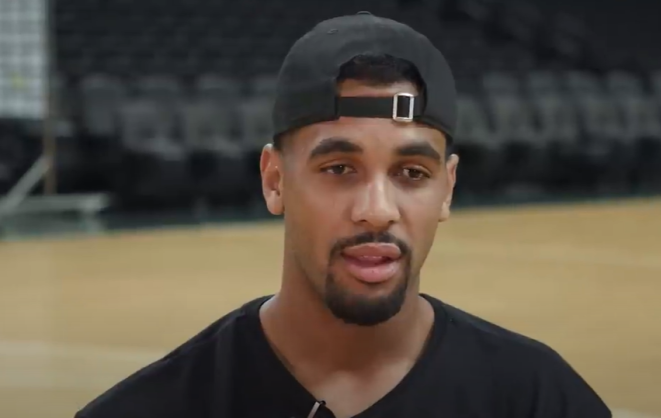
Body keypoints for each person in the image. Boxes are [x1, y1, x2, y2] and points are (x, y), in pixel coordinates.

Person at [75, 12, 612, 418]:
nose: (377, 211)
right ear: (274, 180)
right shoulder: (154, 408)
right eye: (338, 169)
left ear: (447, 189)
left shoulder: (539, 400)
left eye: (412, 173)